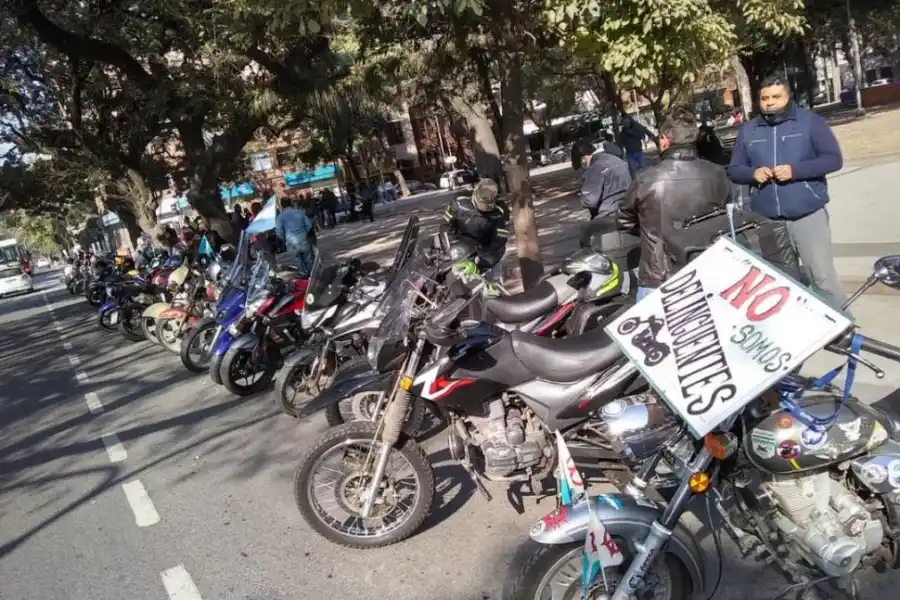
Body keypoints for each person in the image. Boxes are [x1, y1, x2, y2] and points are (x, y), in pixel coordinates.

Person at [727, 73, 846, 310]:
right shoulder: (748, 131)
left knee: (821, 276)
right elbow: (734, 169)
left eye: (775, 97)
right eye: (764, 98)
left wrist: (796, 171)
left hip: (807, 215)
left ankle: (843, 329)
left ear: (788, 97)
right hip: (767, 219)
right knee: (781, 281)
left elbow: (833, 160)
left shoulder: (810, 122)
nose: (769, 102)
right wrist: (752, 174)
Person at [617, 112, 732, 301]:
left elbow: (623, 221)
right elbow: (728, 214)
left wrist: (651, 231)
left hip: (659, 277)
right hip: (708, 268)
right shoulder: (718, 173)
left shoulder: (646, 179)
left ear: (664, 141)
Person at [440, 178, 509, 281]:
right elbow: (445, 225)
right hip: (457, 250)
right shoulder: (459, 204)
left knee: (493, 285)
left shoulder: (498, 213)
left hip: (484, 254)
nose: (484, 207)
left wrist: (479, 259)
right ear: (475, 194)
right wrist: (450, 244)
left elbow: (500, 239)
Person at [275, 198, 314, 274]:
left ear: (282, 205)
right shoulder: (299, 212)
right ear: (290, 203)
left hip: (291, 242)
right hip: (303, 239)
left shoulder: (280, 217)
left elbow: (279, 231)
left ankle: (304, 275)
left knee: (298, 261)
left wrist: (284, 239)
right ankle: (313, 275)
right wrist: (304, 233)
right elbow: (309, 225)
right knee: (309, 260)